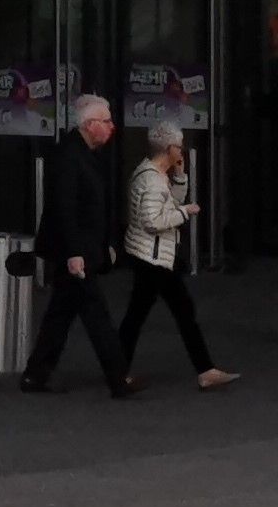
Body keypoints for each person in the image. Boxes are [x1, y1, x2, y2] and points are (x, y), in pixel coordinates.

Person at [26, 89, 141, 389]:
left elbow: (92, 207)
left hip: (83, 248)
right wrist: (75, 252)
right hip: (75, 251)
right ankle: (118, 376)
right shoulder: (69, 156)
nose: (112, 126)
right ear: (90, 124)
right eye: (106, 121)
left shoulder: (84, 155)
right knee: (95, 313)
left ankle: (35, 373)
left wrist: (104, 244)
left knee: (61, 314)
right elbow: (65, 208)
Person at [112, 123, 235, 392]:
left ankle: (117, 367)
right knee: (180, 311)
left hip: (146, 253)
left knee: (141, 312)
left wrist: (180, 178)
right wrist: (186, 212)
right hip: (154, 257)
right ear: (169, 148)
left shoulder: (149, 172)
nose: (181, 150)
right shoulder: (153, 180)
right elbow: (153, 220)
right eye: (179, 146)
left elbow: (167, 203)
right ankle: (205, 370)